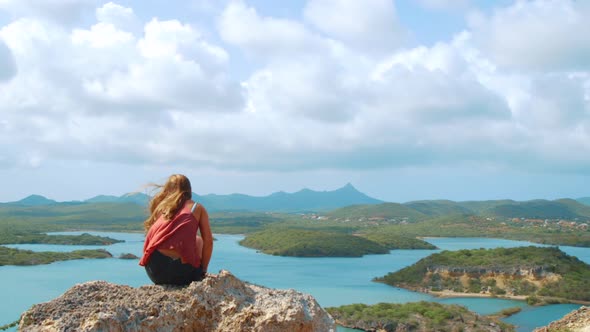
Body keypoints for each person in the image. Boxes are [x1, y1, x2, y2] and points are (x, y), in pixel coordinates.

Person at [139, 174, 213, 285]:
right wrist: (203, 269)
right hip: (183, 274)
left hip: (155, 272)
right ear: (189, 190)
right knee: (198, 240)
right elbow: (208, 242)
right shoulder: (197, 208)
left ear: (167, 190)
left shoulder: (161, 208)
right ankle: (199, 273)